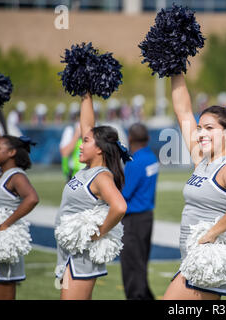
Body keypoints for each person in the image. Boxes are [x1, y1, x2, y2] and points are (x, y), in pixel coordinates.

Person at [162, 74, 226, 300]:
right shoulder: (202, 160)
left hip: (207, 260)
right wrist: (175, 68)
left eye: (209, 128)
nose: (201, 133)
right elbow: (183, 111)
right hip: (192, 257)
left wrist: (210, 234)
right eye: (200, 127)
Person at [54, 92, 127, 300]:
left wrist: (100, 232)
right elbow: (87, 125)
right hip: (69, 253)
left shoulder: (101, 176)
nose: (81, 144)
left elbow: (120, 207)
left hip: (82, 256)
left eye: (86, 141)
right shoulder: (86, 169)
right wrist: (85, 92)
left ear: (100, 149)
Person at [0, 109, 39, 300]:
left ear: (11, 153)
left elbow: (32, 198)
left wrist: (7, 223)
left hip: (1, 245)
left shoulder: (15, 176)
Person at [120, 123, 159, 300]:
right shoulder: (151, 157)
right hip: (146, 217)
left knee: (132, 266)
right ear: (148, 139)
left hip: (133, 219)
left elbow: (125, 193)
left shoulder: (135, 161)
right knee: (140, 263)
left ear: (129, 138)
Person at [59, 104, 85, 181]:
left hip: (89, 172)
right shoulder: (70, 130)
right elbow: (64, 153)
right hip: (74, 173)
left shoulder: (94, 128)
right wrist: (76, 135)